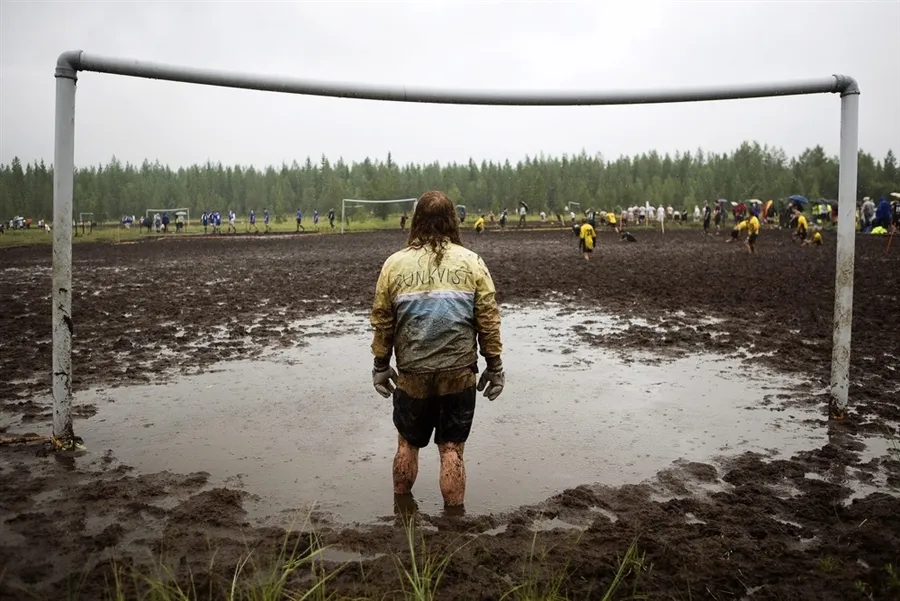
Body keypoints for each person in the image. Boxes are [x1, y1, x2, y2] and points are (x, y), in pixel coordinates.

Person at [369, 190, 504, 509]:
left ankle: (401, 514)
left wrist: (380, 365)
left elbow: (383, 320)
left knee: (406, 445)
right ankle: (454, 525)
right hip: (459, 373)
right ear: (452, 221)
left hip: (412, 373)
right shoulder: (472, 262)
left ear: (416, 221)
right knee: (452, 450)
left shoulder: (394, 265)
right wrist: (495, 367)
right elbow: (488, 320)